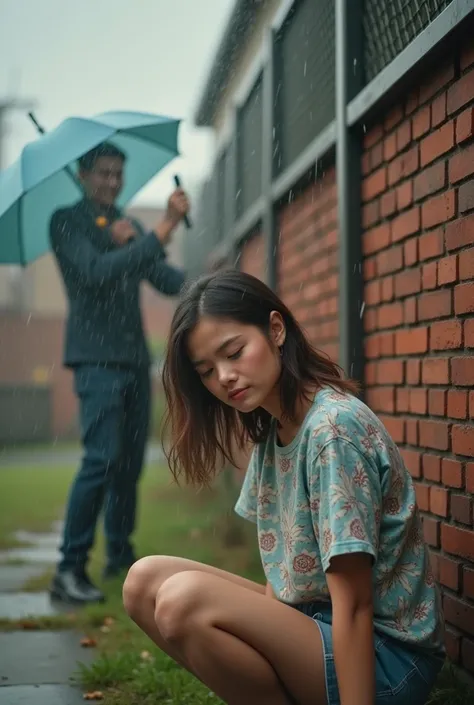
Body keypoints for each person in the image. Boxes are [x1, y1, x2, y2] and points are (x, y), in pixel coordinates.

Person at [122, 269, 446, 705]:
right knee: (144, 581)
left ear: (276, 329)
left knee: (184, 600)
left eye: (234, 352)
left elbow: (355, 605)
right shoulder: (276, 433)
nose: (225, 377)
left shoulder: (333, 433)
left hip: (383, 660)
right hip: (314, 628)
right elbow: (282, 578)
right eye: (206, 370)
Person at [49, 142, 189, 604]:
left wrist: (210, 281)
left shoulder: (128, 225)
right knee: (100, 461)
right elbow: (92, 272)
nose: (111, 182)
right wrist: (163, 228)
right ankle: (68, 570)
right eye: (103, 173)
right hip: (96, 361)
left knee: (127, 467)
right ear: (85, 174)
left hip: (133, 360)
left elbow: (167, 281)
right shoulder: (67, 222)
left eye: (118, 174)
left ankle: (119, 557)